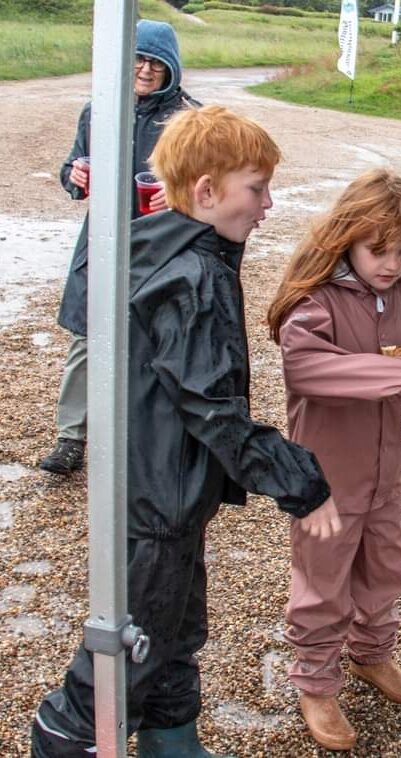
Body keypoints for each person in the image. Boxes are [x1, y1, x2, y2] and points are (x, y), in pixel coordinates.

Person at [31, 105, 342, 758]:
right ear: (206, 192)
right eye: (256, 188)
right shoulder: (195, 276)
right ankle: (65, 741)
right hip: (157, 500)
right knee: (127, 651)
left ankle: (173, 741)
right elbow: (213, 407)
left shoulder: (164, 247)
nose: (268, 204)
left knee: (173, 630)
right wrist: (299, 482)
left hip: (160, 490)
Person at [266, 168, 401, 751]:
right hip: (326, 479)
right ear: (346, 236)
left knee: (387, 565)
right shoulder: (316, 299)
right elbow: (305, 367)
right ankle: (316, 682)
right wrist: (399, 371)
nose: (391, 263)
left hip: (386, 474)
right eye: (379, 250)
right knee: (323, 581)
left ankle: (373, 655)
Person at [40, 19, 199, 475]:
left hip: (164, 248)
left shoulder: (189, 119)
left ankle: (159, 444)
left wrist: (184, 197)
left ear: (173, 66)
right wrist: (73, 176)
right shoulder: (100, 108)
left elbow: (216, 188)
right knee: (88, 340)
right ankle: (71, 438)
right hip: (103, 241)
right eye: (139, 59)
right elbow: (74, 163)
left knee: (162, 343)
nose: (147, 70)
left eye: (156, 62)